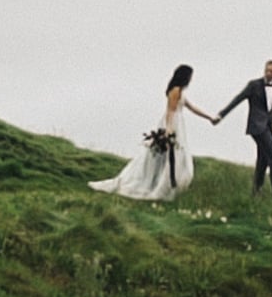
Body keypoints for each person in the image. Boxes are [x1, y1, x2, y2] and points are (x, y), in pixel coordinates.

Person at [89, 64, 217, 201]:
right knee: (169, 157)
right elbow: (170, 111)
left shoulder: (180, 92)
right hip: (172, 124)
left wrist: (209, 117)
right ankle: (164, 185)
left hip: (177, 125)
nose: (191, 79)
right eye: (190, 76)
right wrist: (169, 131)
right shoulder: (175, 91)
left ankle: (171, 184)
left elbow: (192, 108)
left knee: (177, 157)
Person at [212, 60, 272, 194]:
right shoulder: (254, 85)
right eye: (267, 70)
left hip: (268, 127)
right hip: (257, 126)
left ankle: (256, 190)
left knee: (263, 158)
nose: (269, 73)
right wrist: (221, 115)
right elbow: (237, 99)